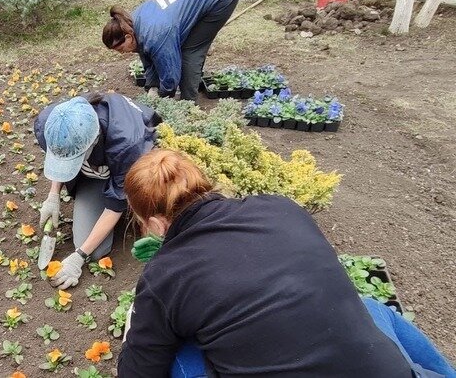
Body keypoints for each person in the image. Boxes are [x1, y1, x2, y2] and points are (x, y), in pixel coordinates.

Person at [118, 149, 456, 378]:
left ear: (158, 225)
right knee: (370, 307)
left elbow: (137, 370)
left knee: (178, 356)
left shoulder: (165, 274)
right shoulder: (280, 207)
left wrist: (142, 315)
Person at [33, 93, 160, 290]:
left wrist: (78, 257)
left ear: (93, 141)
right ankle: (99, 188)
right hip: (98, 169)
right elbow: (60, 154)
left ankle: (133, 210)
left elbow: (115, 206)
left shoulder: (127, 145)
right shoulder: (51, 123)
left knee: (94, 251)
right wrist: (53, 196)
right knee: (88, 242)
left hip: (132, 169)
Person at [103, 0, 241, 101]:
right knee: (182, 44)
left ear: (128, 37)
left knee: (191, 51)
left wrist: (163, 97)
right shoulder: (131, 21)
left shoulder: (156, 34)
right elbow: (146, 53)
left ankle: (188, 103)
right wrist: (152, 86)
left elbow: (170, 76)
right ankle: (192, 84)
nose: (121, 52)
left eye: (120, 48)